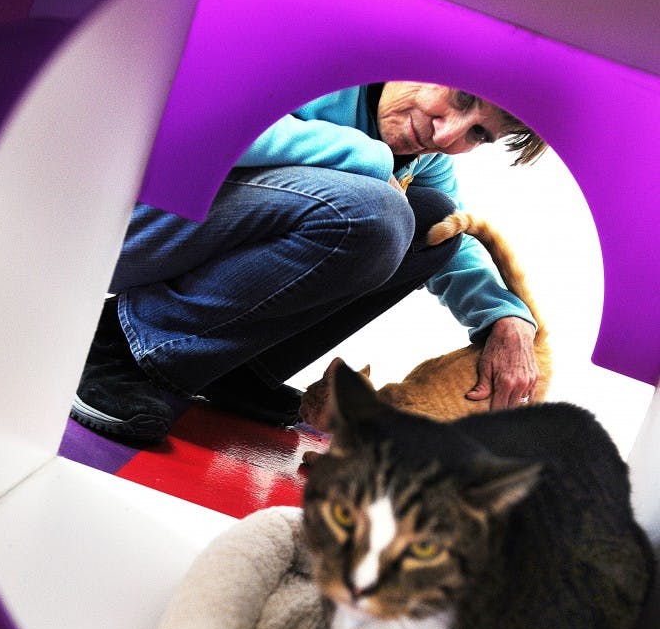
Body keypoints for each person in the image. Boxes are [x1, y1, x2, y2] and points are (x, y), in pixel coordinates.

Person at [71, 82, 546, 446]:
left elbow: (450, 238)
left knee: (432, 217)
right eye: (461, 98)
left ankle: (230, 365)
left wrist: (503, 315)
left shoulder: (423, 156)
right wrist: (368, 157)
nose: (448, 135)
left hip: (188, 239)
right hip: (123, 224)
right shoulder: (326, 67)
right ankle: (121, 343)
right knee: (377, 213)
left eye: (479, 134)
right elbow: (203, 121)